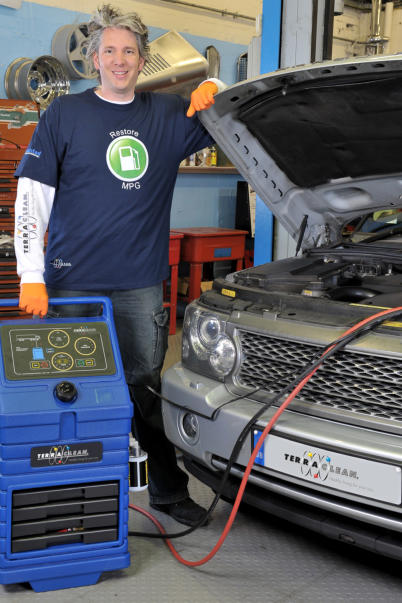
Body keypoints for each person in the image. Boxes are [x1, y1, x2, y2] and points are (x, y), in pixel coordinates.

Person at [14, 4, 223, 527]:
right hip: (71, 283)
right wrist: (31, 275)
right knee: (68, 391)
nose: (119, 59)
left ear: (143, 58)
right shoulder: (64, 114)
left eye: (129, 51)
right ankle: (65, 501)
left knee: (145, 389)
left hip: (138, 284)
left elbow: (226, 115)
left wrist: (215, 87)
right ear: (94, 59)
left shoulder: (167, 115)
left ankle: (168, 492)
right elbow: (31, 197)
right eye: (109, 50)